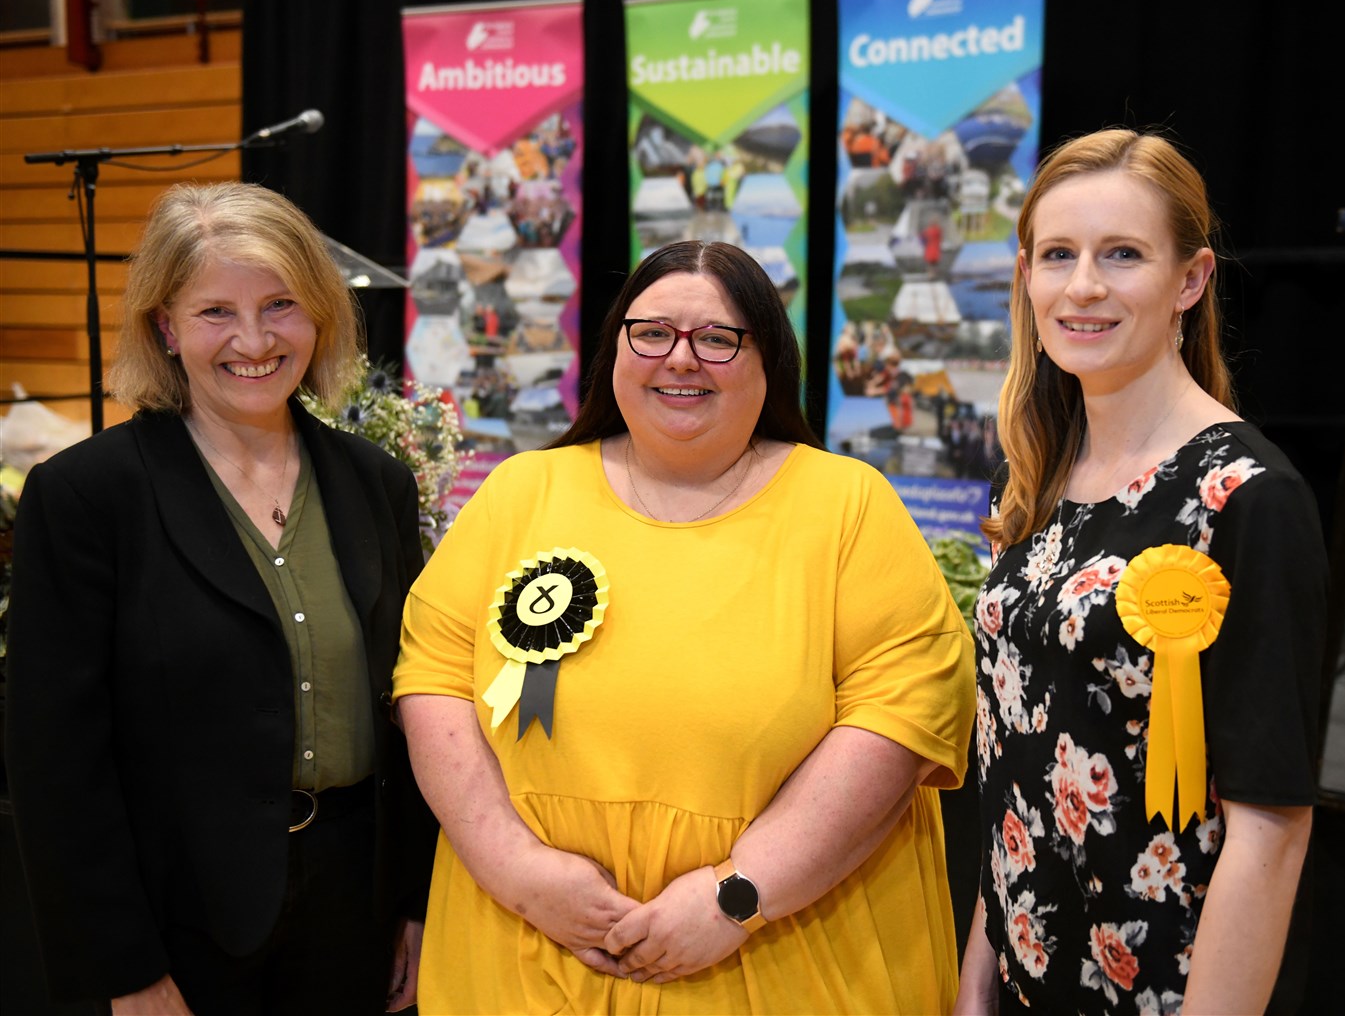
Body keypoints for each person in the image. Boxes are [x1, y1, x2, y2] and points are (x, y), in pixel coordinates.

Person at [393, 240, 975, 1013]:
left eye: (717, 339)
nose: (681, 359)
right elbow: (432, 678)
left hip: (783, 955)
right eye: (653, 332)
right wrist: (518, 872)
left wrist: (739, 897)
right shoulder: (519, 493)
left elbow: (906, 714)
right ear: (616, 348)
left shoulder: (847, 505)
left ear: (767, 359)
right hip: (526, 952)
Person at [5, 182, 436, 1014]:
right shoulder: (88, 496)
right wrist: (120, 970)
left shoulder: (374, 482)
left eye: (280, 304)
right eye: (215, 313)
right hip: (178, 925)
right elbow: (54, 762)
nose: (253, 339)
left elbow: (412, 712)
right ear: (165, 326)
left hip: (357, 909)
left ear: (320, 313)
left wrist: (416, 905)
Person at [954, 130, 1325, 1014]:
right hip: (1019, 981)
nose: (1083, 285)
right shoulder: (1031, 478)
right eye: (1058, 256)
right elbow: (1016, 777)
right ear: (1026, 277)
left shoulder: (1247, 500)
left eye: (1122, 254)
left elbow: (1271, 833)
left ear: (1189, 281)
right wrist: (974, 993)